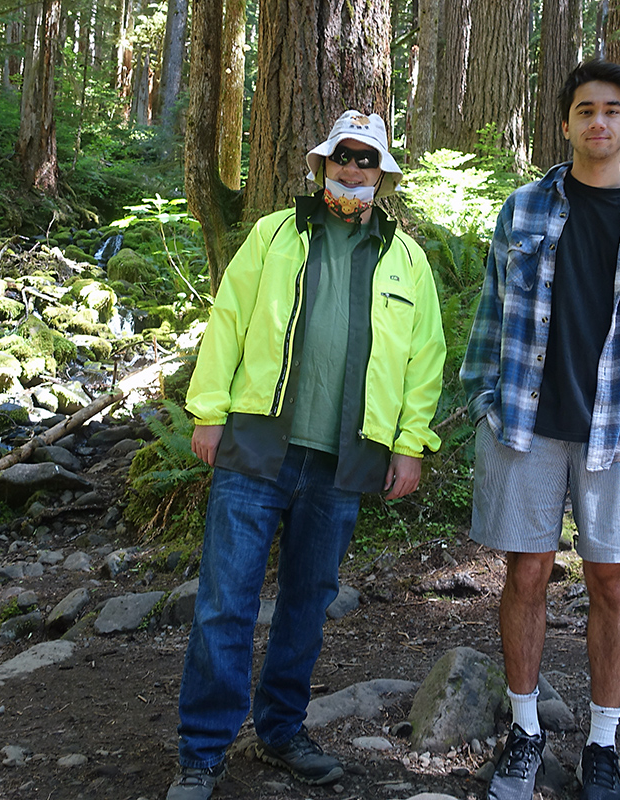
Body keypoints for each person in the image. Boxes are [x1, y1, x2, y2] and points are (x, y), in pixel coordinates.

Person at [166, 110, 447, 800]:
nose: (352, 171)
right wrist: (208, 412)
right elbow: (228, 319)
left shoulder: (406, 260)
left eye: (366, 161)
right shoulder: (274, 235)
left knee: (305, 603)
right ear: (323, 165)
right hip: (258, 444)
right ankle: (203, 751)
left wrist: (409, 446)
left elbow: (425, 361)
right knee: (223, 604)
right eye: (341, 158)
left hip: (343, 463)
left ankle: (282, 729)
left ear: (382, 174)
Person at [460, 60, 620, 800]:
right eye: (584, 110)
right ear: (567, 123)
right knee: (526, 575)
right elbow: (492, 309)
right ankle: (525, 732)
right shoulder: (524, 208)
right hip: (526, 425)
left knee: (611, 582)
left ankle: (603, 745)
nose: (598, 122)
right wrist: (483, 396)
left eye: (612, 110)